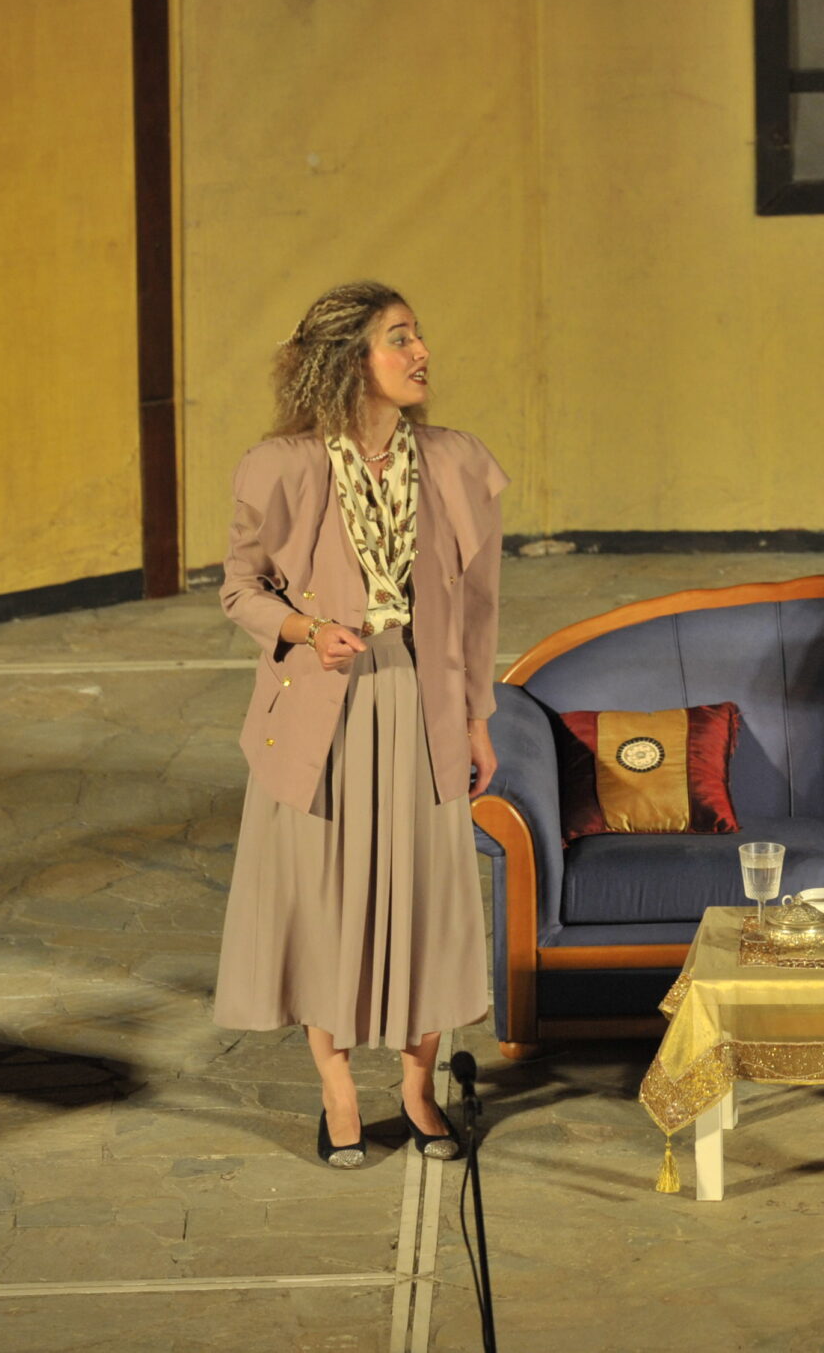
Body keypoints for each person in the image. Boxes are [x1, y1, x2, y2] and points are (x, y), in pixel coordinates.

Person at [213, 282, 508, 1167]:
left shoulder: (455, 461)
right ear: (351, 362)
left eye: (417, 335)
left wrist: (478, 716)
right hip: (327, 709)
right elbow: (240, 589)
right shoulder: (283, 466)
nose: (421, 352)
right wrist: (306, 630)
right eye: (398, 338)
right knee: (326, 901)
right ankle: (338, 1088)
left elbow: (480, 609)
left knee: (427, 898)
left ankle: (416, 1088)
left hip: (422, 704)